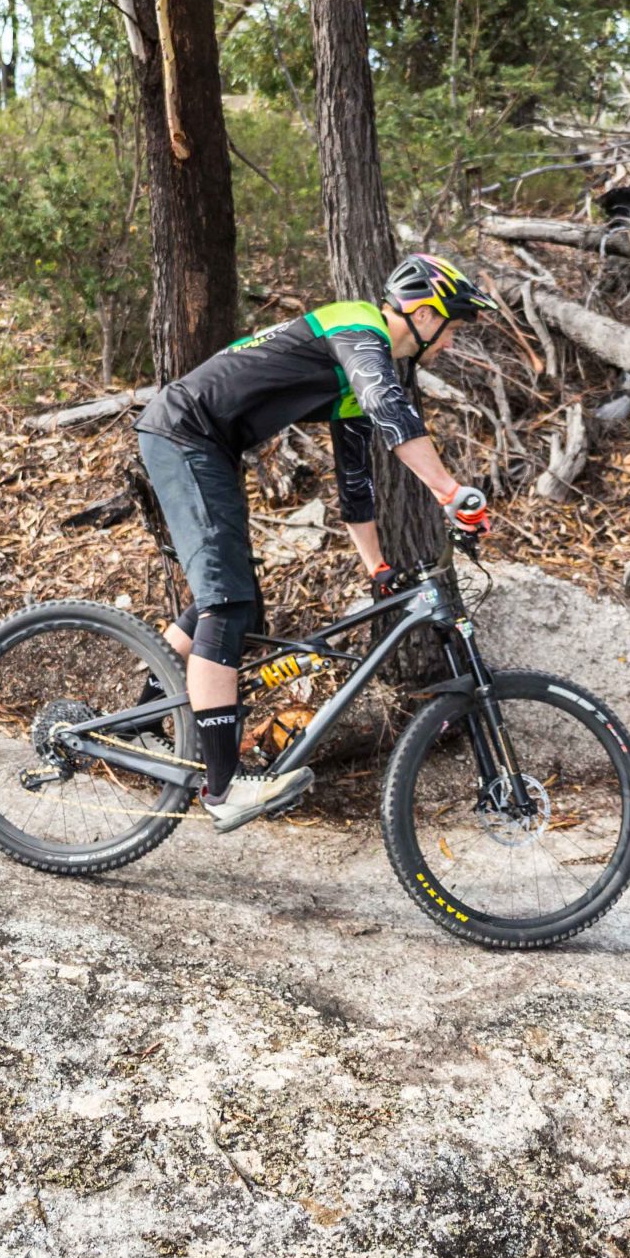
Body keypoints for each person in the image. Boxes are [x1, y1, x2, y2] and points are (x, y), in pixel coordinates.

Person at [134, 252, 498, 833]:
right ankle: (223, 788)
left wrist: (376, 564)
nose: (450, 346)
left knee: (233, 599)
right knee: (226, 604)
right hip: (184, 432)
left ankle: (140, 717)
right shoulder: (358, 328)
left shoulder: (360, 367)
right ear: (424, 315)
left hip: (206, 444)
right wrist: (450, 492)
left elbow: (356, 480)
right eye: (450, 330)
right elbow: (390, 410)